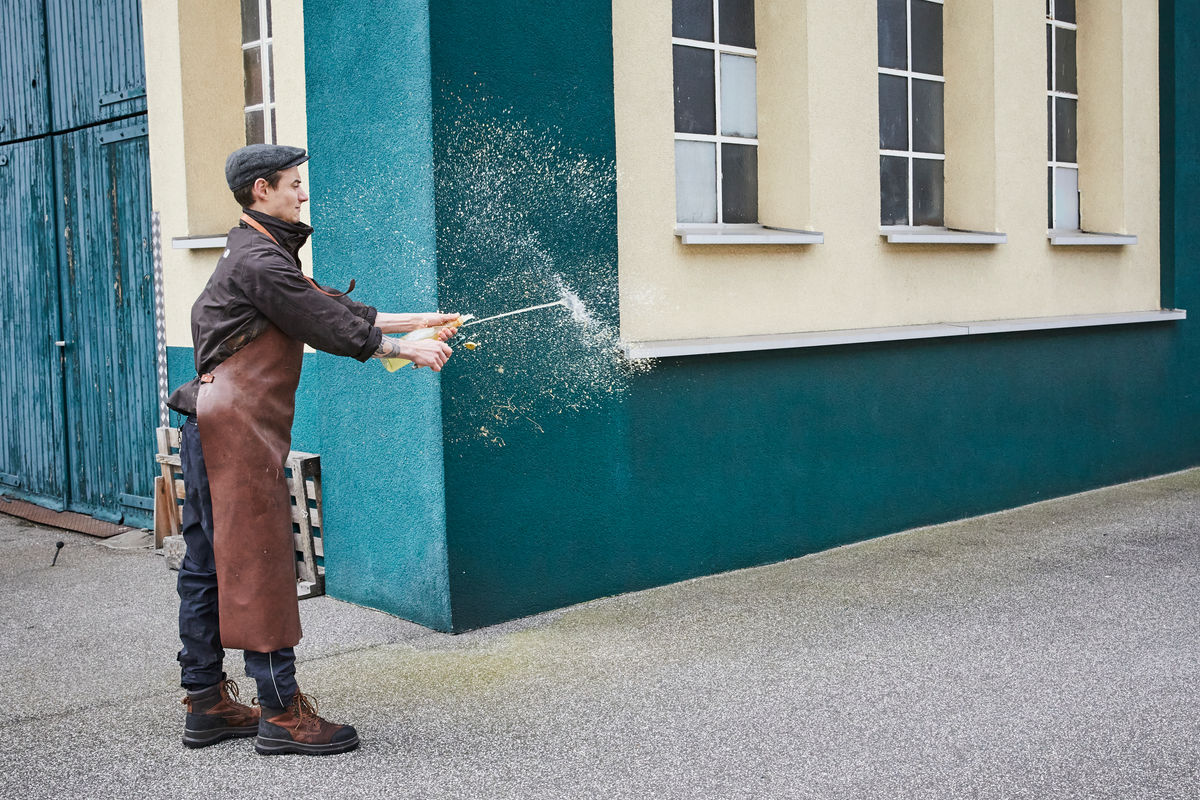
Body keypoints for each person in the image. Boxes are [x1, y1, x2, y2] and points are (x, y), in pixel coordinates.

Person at [166, 144, 457, 756]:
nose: (303, 193)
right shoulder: (260, 261)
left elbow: (325, 304)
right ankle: (280, 713)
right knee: (260, 560)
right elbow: (320, 322)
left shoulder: (256, 250)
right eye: (294, 184)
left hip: (209, 423)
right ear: (261, 191)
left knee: (209, 564)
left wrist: (412, 323)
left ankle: (206, 701)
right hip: (233, 431)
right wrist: (404, 350)